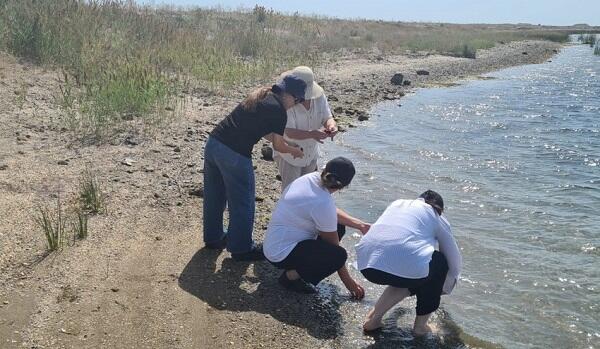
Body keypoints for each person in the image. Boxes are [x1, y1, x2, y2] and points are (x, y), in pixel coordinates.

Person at [203, 75, 306, 261]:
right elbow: (279, 146)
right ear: (289, 95)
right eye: (298, 100)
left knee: (214, 195)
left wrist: (288, 143)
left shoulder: (261, 95)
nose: (296, 105)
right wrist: (295, 152)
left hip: (214, 144)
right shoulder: (279, 111)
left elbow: (264, 132)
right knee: (243, 202)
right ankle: (241, 248)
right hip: (235, 154)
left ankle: (213, 237)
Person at [355, 190, 462, 335]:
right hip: (401, 268)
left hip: (366, 265)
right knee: (438, 262)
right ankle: (420, 327)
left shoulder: (398, 203)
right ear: (439, 209)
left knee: (411, 266)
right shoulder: (437, 216)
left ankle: (373, 320)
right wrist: (443, 288)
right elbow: (454, 263)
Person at [264, 157, 370, 297]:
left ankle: (299, 267)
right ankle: (290, 277)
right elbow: (334, 249)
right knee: (338, 256)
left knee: (338, 227)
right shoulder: (322, 202)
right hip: (280, 254)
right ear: (344, 186)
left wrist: (360, 225)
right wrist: (348, 281)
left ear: (325, 169)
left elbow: (329, 212)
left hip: (274, 244)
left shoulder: (310, 178)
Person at [273, 66, 338, 190]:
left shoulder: (319, 97)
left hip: (311, 154)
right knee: (291, 192)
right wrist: (312, 134)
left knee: (307, 191)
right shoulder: (287, 101)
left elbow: (327, 117)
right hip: (290, 155)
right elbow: (288, 132)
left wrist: (331, 126)